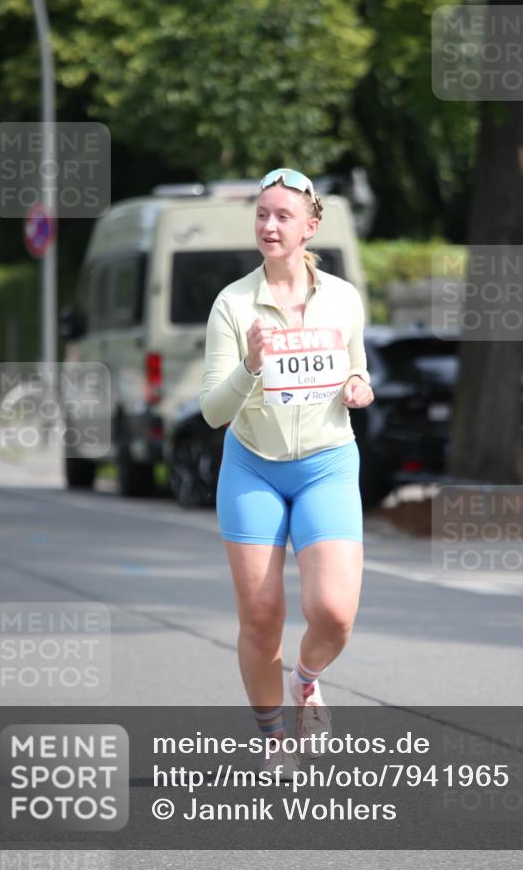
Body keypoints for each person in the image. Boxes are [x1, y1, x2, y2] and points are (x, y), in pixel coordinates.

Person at [199, 167, 374, 778]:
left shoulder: (343, 299)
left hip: (326, 463)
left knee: (334, 612)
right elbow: (213, 410)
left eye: (282, 216)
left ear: (310, 226)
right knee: (262, 615)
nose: (269, 226)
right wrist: (249, 364)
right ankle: (275, 739)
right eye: (262, 215)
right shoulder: (233, 303)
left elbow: (358, 371)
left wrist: (358, 386)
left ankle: (306, 681)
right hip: (254, 468)